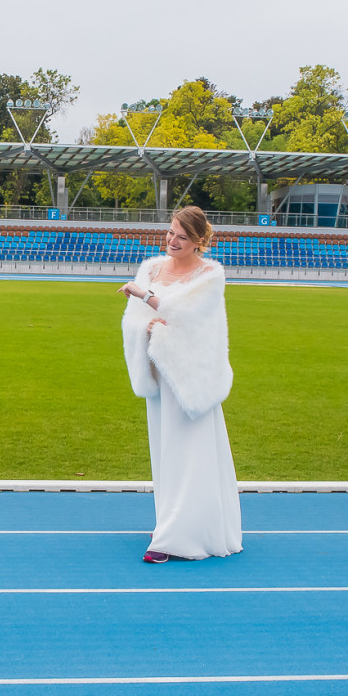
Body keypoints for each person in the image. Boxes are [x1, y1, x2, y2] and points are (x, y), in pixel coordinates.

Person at [118, 206, 242, 563]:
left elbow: (184, 316)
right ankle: (169, 521)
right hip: (157, 367)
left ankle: (180, 537)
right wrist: (147, 327)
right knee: (165, 450)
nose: (173, 241)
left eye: (182, 237)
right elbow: (138, 319)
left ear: (198, 240)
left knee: (191, 453)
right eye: (171, 232)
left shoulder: (210, 275)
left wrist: (143, 296)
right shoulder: (152, 267)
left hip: (190, 375)